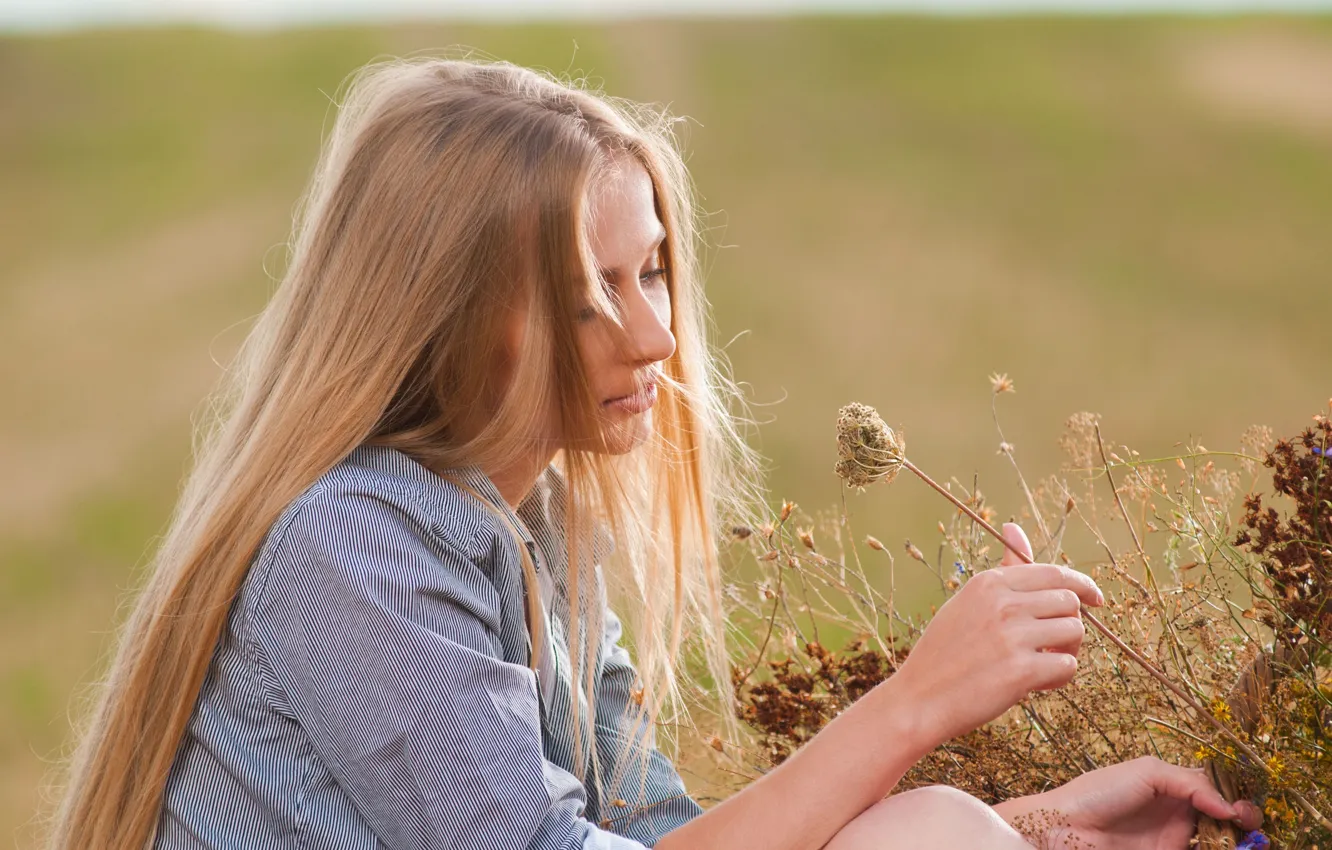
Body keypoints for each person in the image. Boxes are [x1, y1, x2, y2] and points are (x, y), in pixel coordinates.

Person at [49, 57, 1262, 850]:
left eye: (656, 271)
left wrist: (1040, 823)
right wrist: (918, 703)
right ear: (454, 306)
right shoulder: (352, 547)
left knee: (941, 830)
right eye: (591, 293)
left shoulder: (532, 528)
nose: (658, 333)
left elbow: (663, 834)